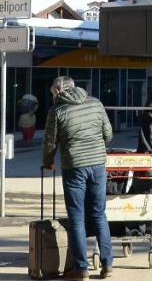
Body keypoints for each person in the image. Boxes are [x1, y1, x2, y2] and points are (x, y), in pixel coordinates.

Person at [43, 76, 114, 281]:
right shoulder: (96, 103)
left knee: (77, 218)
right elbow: (108, 135)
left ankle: (81, 269)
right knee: (99, 214)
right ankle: (107, 265)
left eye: (52, 92)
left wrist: (48, 161)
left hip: (74, 166)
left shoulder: (57, 111)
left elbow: (49, 143)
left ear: (58, 90)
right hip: (98, 165)